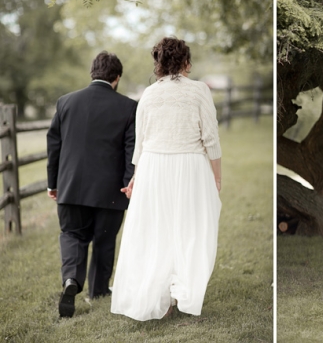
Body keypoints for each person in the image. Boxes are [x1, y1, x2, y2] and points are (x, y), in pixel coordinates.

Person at [110, 37, 222, 321]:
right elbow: (211, 138)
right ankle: (178, 292)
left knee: (156, 229)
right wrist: (217, 178)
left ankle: (168, 296)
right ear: (186, 62)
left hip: (154, 167)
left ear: (158, 63)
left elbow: (141, 143)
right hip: (190, 166)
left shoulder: (148, 94)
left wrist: (137, 176)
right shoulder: (199, 91)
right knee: (190, 229)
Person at [46, 52, 137, 318]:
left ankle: (72, 281)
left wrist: (54, 183)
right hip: (111, 191)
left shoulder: (65, 102)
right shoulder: (129, 106)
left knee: (73, 234)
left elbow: (54, 147)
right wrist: (127, 184)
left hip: (70, 187)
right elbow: (131, 150)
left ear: (92, 73)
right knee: (104, 241)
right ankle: (98, 290)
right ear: (117, 78)